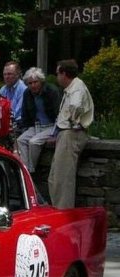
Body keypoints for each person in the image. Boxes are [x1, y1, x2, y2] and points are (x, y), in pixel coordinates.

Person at [48, 59, 94, 208]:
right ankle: (59, 209)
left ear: (64, 74)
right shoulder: (72, 87)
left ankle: (63, 212)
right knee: (55, 177)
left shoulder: (76, 88)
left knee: (62, 179)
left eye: (57, 73)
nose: (56, 77)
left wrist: (73, 122)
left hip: (71, 134)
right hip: (67, 133)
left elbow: (76, 106)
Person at [16, 67, 61, 173]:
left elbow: (59, 113)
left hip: (51, 125)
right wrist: (24, 129)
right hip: (36, 125)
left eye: (35, 82)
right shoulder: (27, 93)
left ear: (41, 81)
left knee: (34, 142)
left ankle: (31, 170)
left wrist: (56, 133)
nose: (33, 85)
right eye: (30, 83)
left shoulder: (52, 91)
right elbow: (25, 114)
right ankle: (24, 168)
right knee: (21, 140)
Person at [0, 61, 28, 134]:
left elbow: (17, 113)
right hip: (7, 123)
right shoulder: (3, 89)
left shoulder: (23, 89)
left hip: (20, 124)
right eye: (5, 74)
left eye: (9, 74)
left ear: (17, 75)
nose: (6, 77)